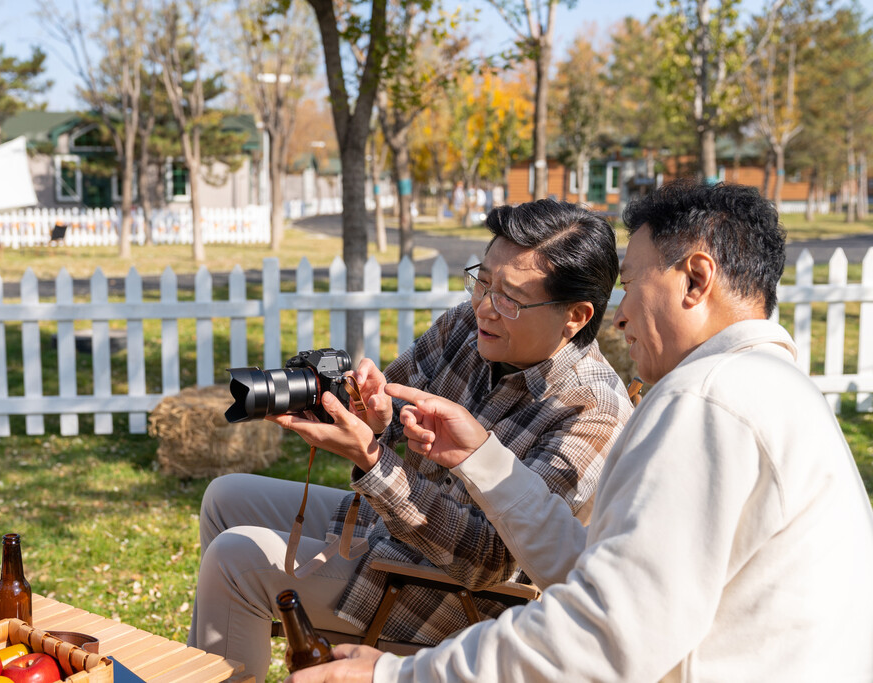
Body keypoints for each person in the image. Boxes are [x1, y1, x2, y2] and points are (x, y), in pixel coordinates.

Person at [288, 181, 873, 682]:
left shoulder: (709, 400)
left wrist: (398, 674)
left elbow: (609, 630)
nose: (618, 315)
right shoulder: (770, 388)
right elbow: (594, 566)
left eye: (634, 283)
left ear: (695, 279)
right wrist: (484, 458)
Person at [189, 200, 635, 681]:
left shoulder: (592, 412)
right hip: (394, 535)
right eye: (482, 281)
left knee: (236, 559)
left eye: (510, 298)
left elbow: (489, 563)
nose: (485, 306)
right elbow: (394, 407)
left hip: (454, 600)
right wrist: (374, 414)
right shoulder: (467, 328)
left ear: (576, 316)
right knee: (225, 497)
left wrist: (373, 458)